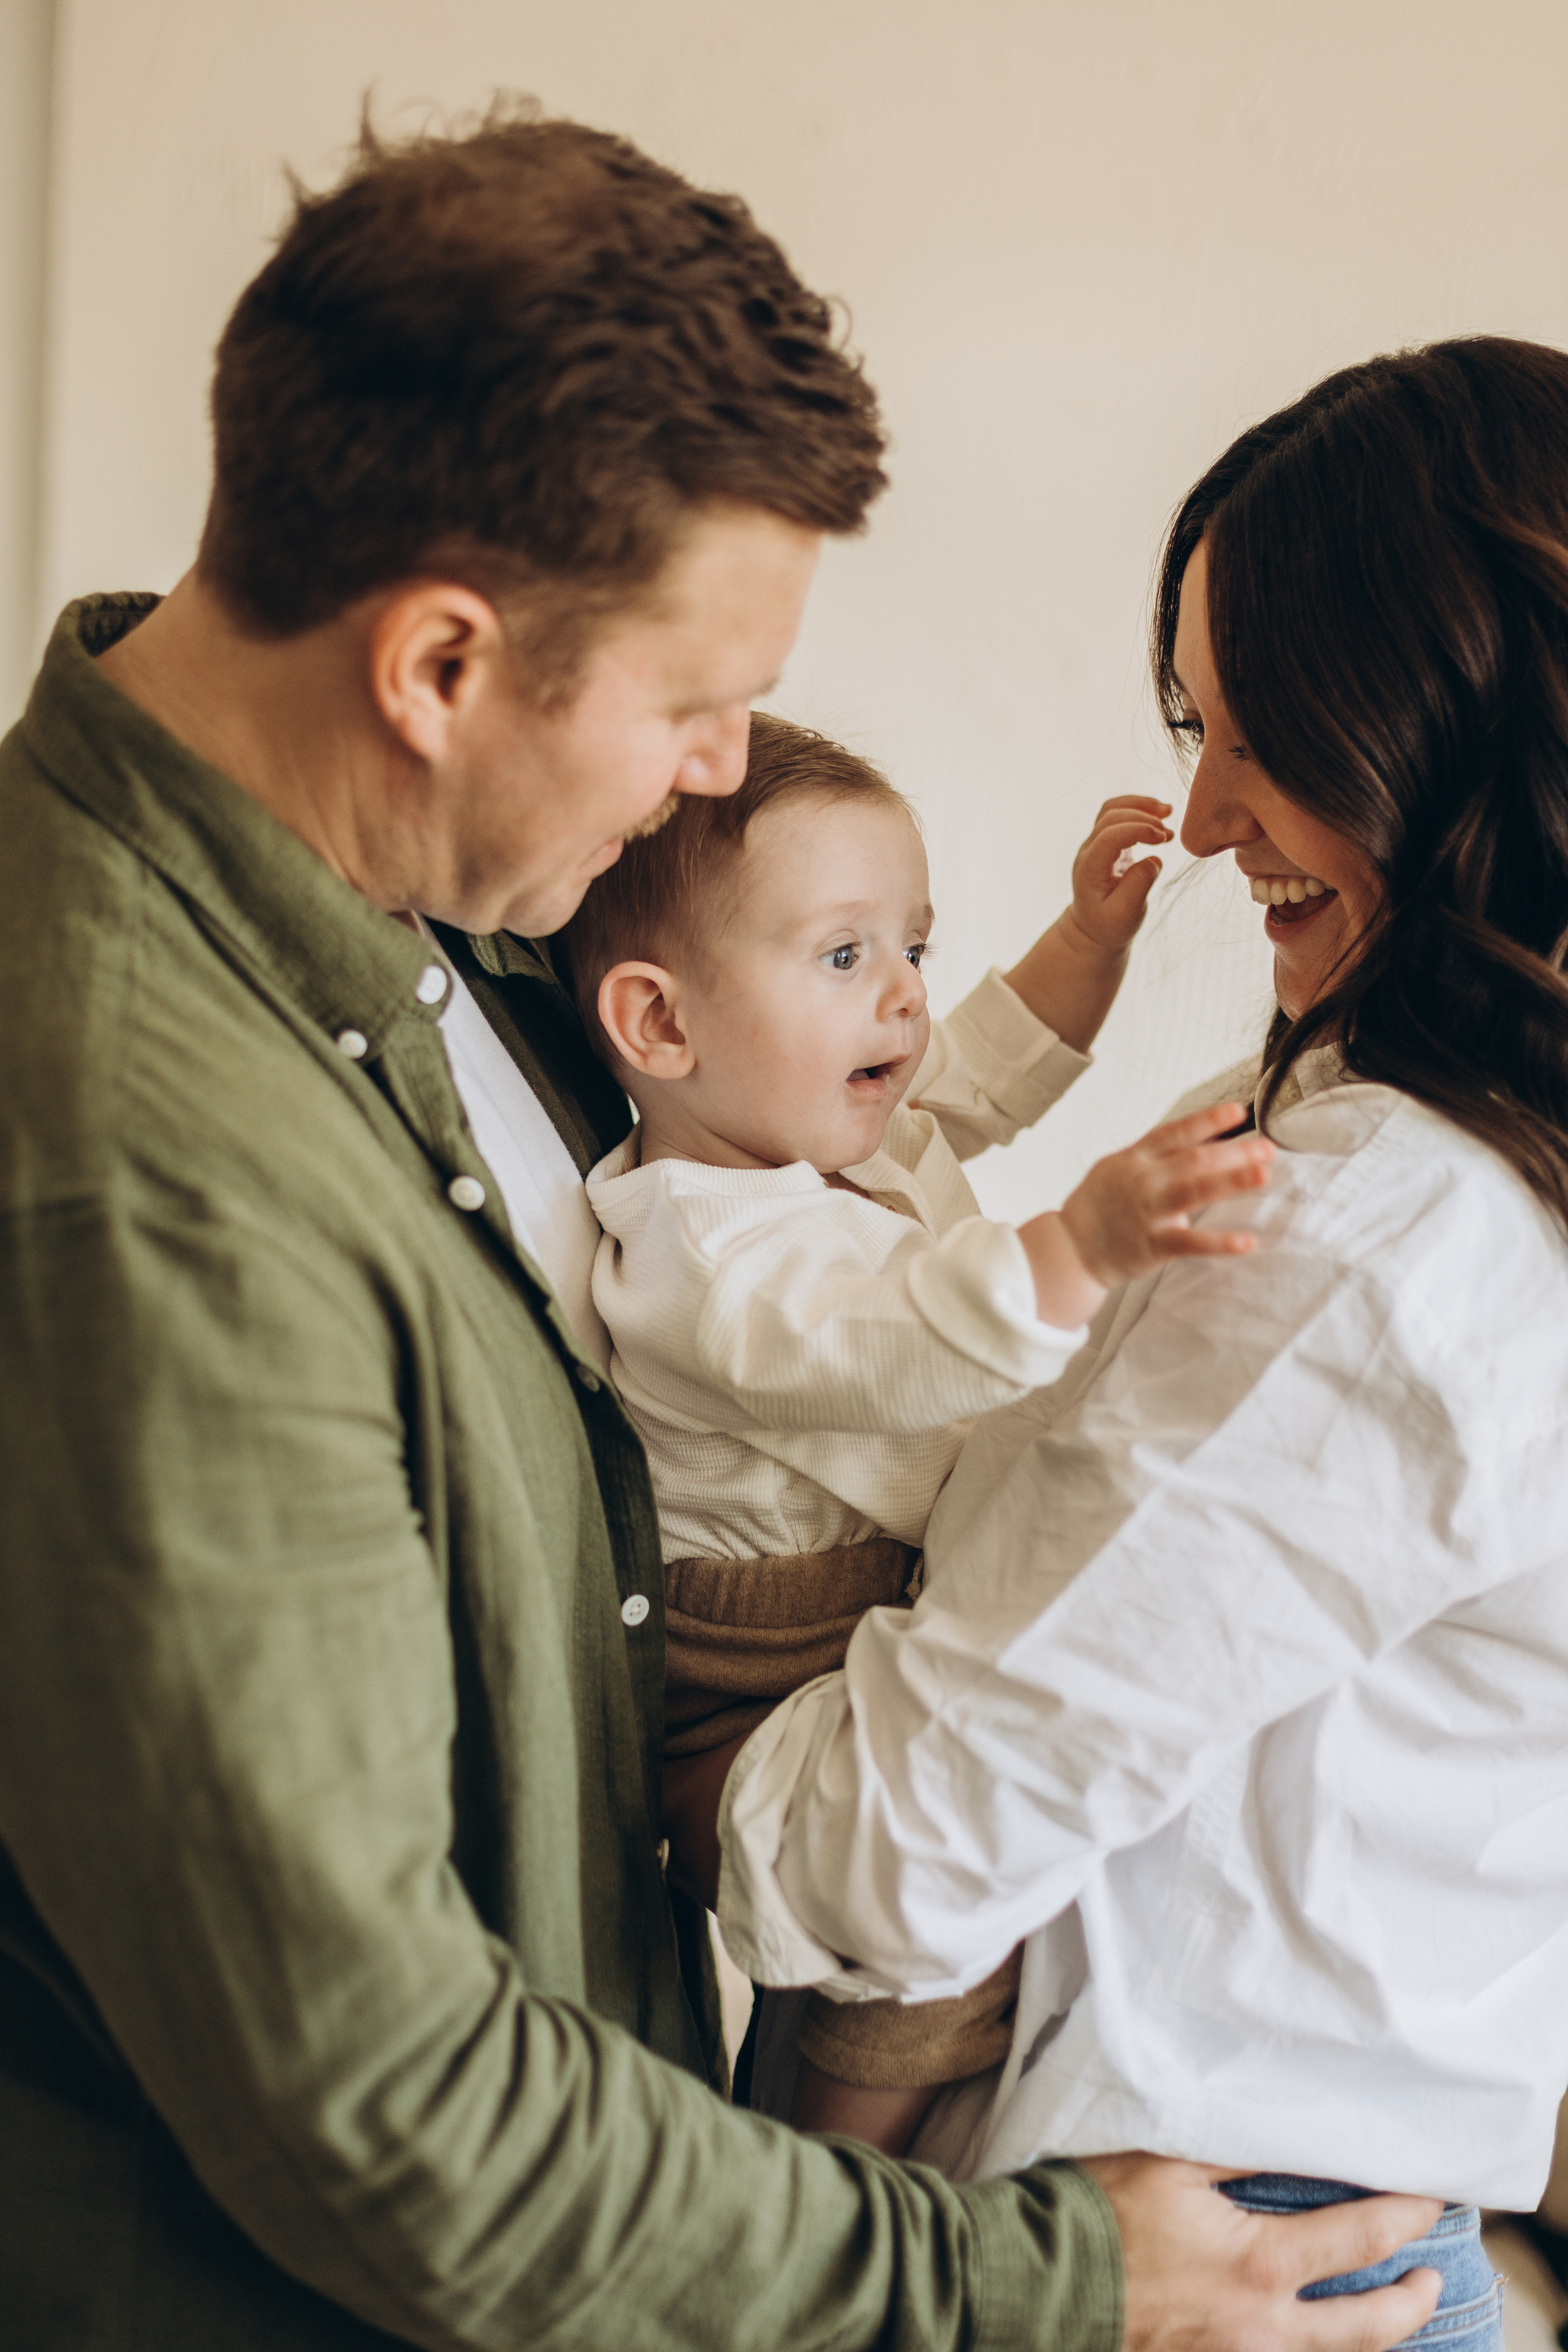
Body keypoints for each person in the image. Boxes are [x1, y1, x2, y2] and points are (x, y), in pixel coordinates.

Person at [0, 101, 1446, 2352]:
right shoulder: (136, 1174)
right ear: (442, 666)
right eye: (691, 705)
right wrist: (1047, 2287)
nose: (717, 774)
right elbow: (389, 2109)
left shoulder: (440, 930)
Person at [686, 335, 1568, 2351]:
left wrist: (692, 1748)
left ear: (1453, 721)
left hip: (1211, 2249)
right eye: (1196, 719)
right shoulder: (1468, 1180)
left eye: (1263, 731)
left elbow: (900, 1845)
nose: (1203, 806)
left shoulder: (1386, 1236)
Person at [560, 708, 1273, 2154]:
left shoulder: (821, 1125)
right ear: (660, 1024)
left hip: (861, 1608)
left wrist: (1090, 939)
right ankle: (831, 2167)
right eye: (843, 956)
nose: (899, 1000)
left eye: (913, 948)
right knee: (939, 1946)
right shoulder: (698, 1243)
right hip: (748, 1662)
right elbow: (892, 1339)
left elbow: (988, 1065)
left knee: (969, 1900)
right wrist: (1078, 1243)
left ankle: (813, 2111)